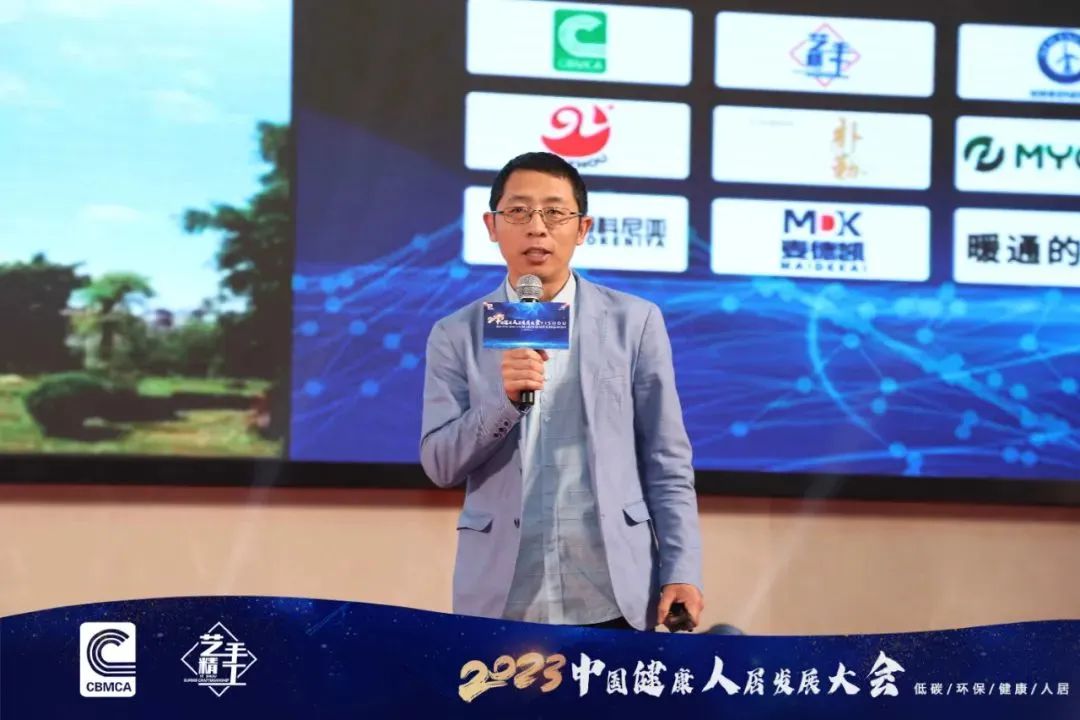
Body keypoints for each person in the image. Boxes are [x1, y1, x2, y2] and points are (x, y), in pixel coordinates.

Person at [420, 151, 703, 631]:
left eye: (554, 212)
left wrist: (682, 569)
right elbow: (440, 464)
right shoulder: (455, 334)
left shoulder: (634, 323)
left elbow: (667, 460)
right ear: (492, 226)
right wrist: (504, 403)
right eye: (518, 211)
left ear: (583, 228)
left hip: (613, 594)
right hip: (502, 597)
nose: (537, 228)